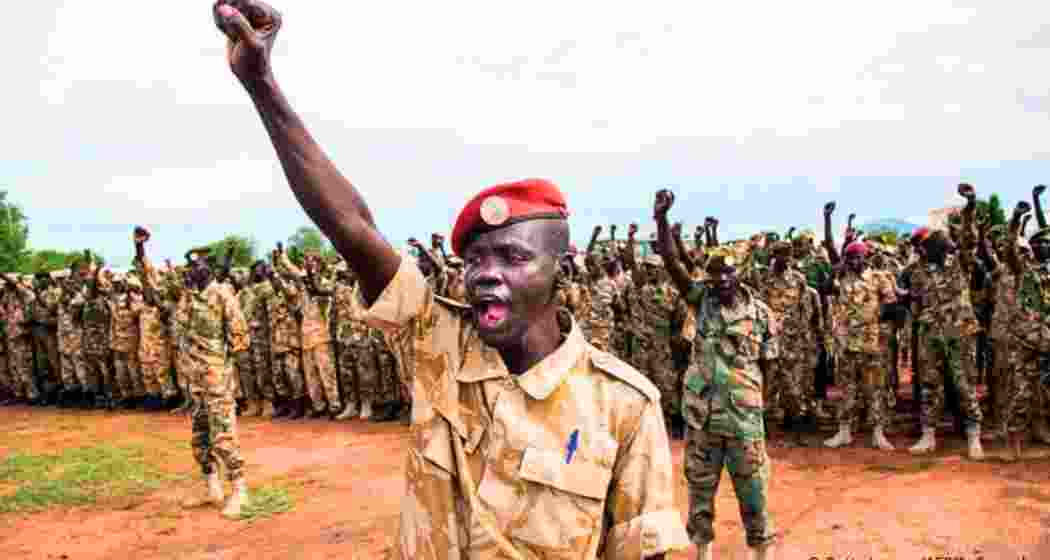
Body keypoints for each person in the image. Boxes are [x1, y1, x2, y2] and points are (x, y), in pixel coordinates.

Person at [211, 2, 689, 556]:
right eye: (476, 261)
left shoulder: (624, 405)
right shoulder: (439, 344)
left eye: (512, 258)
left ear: (564, 267)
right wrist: (262, 84)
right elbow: (352, 229)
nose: (486, 274)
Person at [653, 189, 778, 560]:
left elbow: (768, 364)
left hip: (744, 419)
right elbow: (673, 263)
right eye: (715, 273)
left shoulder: (761, 314)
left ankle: (760, 550)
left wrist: (758, 405)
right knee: (700, 491)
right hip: (704, 418)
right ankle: (703, 552)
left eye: (728, 271)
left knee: (754, 491)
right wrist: (660, 220)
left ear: (740, 273)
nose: (722, 278)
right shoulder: (701, 301)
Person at [175, 245, 251, 517]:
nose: (191, 270)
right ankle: (212, 487)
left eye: (196, 266)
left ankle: (240, 491)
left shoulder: (222, 296)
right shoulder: (188, 297)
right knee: (200, 437)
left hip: (217, 379)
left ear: (208, 267)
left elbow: (240, 341)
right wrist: (139, 248)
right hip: (194, 380)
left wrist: (233, 381)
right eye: (190, 266)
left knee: (224, 436)